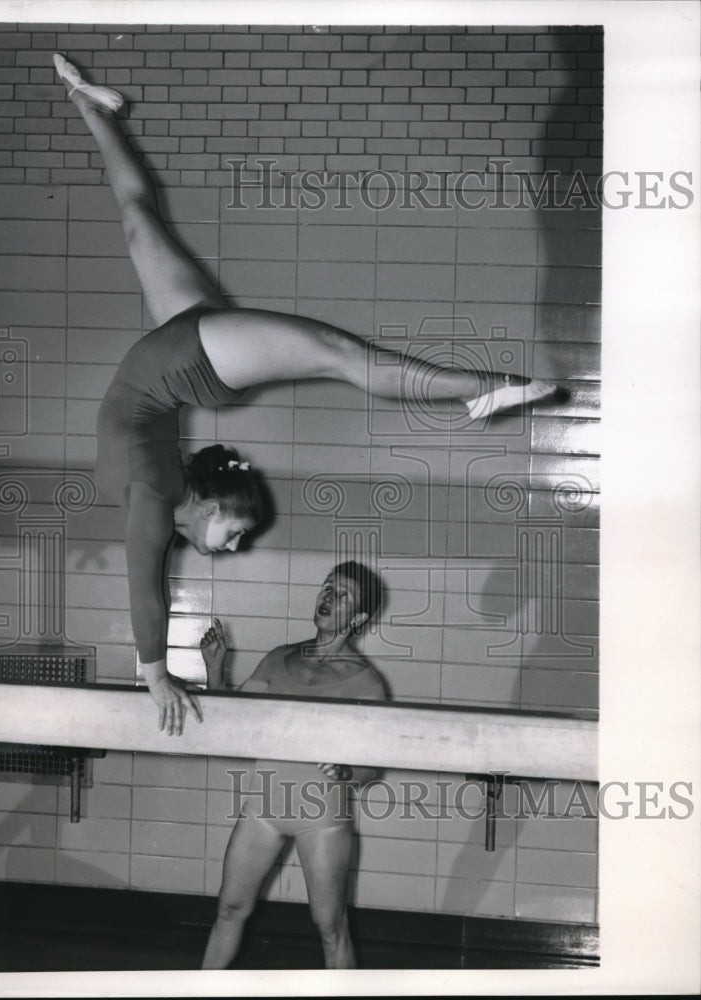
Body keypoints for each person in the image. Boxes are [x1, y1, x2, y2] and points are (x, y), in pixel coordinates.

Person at [53, 54, 558, 737]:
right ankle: (472, 391)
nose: (232, 548)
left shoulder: (154, 503)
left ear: (208, 504)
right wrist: (156, 665)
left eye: (232, 534)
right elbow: (151, 576)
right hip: (190, 359)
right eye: (237, 538)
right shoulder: (159, 500)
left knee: (331, 349)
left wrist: (152, 670)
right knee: (154, 230)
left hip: (184, 356)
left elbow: (145, 589)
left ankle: (483, 389)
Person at [198, 561, 388, 969]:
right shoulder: (279, 657)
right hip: (263, 809)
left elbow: (374, 767)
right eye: (327, 587)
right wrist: (215, 670)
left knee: (330, 928)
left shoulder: (367, 683)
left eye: (343, 595)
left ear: (358, 619)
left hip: (321, 816)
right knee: (229, 910)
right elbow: (231, 724)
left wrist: (347, 771)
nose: (328, 597)